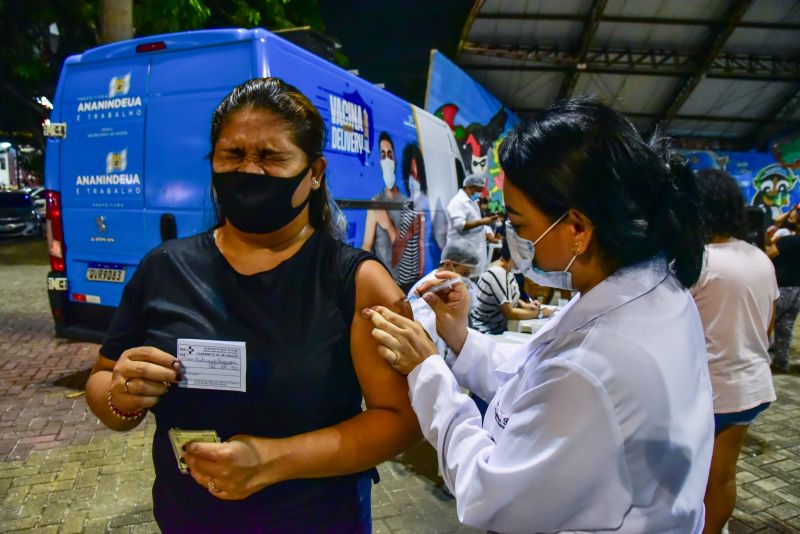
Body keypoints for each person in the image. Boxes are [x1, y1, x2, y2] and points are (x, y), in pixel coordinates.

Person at [363, 98, 714, 533]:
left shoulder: (595, 364)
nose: (512, 238)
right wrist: (459, 338)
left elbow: (488, 495)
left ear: (578, 230)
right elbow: (530, 374)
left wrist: (427, 371)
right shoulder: (650, 286)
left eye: (520, 224)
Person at [85, 78, 420, 532]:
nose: (250, 171)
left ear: (315, 171)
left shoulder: (359, 282)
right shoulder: (163, 268)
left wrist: (270, 461)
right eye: (233, 155)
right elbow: (103, 379)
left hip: (317, 520)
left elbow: (401, 421)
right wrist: (120, 396)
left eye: (271, 156)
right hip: (187, 518)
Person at [690, 168, 778, 533]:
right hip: (750, 386)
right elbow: (767, 324)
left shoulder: (700, 262)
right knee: (722, 477)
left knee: (696, 479)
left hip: (712, 392)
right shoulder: (759, 257)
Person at [362, 132, 421, 286]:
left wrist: (387, 224)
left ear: (395, 160)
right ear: (380, 162)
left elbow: (406, 254)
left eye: (390, 154)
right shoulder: (376, 202)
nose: (387, 160)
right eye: (383, 156)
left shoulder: (407, 204)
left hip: (403, 283)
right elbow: (367, 246)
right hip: (382, 282)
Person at [407, 241, 480, 356]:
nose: (466, 279)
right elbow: (424, 334)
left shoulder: (452, 286)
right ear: (447, 264)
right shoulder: (429, 289)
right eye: (464, 273)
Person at [470, 240, 543, 334]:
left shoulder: (507, 271)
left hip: (497, 329)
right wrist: (539, 313)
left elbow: (507, 295)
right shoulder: (497, 273)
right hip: (485, 331)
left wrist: (526, 305)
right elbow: (509, 313)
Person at [445, 173, 500, 276]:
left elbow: (477, 224)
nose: (479, 194)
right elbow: (460, 225)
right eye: (478, 190)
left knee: (472, 281)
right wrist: (484, 221)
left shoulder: (472, 202)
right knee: (461, 280)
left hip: (474, 249)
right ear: (470, 186)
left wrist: (487, 230)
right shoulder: (458, 202)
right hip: (461, 252)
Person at [766, 217, 800, 372]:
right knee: (785, 327)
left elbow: (769, 254)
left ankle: (759, 360)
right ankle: (781, 362)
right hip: (797, 290)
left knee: (765, 323)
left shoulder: (788, 241)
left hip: (782, 288)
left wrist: (769, 241)